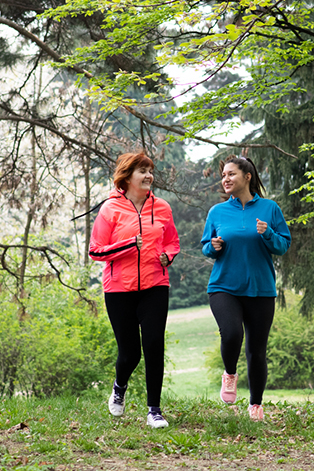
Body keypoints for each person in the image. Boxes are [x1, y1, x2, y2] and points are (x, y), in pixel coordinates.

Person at [89, 151, 180, 429]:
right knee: (130, 353)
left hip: (155, 285)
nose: (148, 176)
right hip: (119, 290)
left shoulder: (162, 207)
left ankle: (155, 410)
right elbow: (95, 250)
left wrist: (168, 255)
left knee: (154, 344)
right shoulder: (110, 209)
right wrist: (128, 244)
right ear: (127, 177)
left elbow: (172, 242)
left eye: (150, 170)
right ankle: (119, 387)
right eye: (142, 171)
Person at [201, 156, 291, 422]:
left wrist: (267, 234)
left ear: (247, 176)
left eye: (231, 174)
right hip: (224, 286)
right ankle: (229, 374)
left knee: (256, 350)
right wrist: (212, 247)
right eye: (223, 175)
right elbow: (206, 246)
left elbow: (282, 246)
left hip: (260, 288)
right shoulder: (217, 212)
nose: (225, 179)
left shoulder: (270, 208)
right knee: (231, 334)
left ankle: (256, 405)